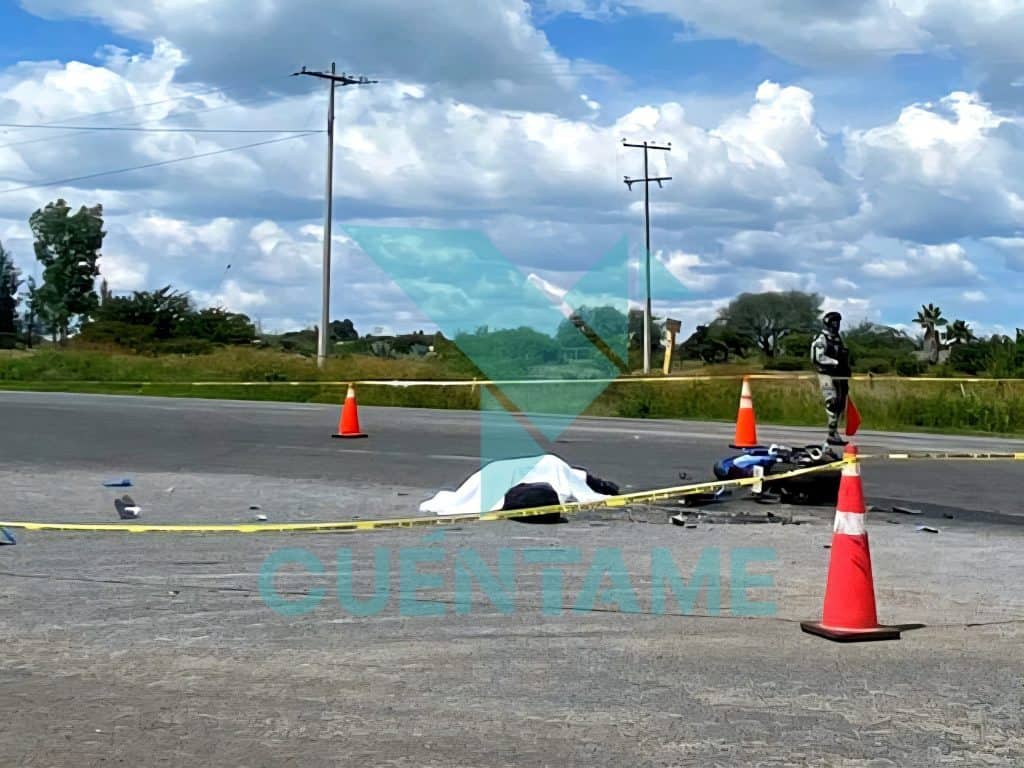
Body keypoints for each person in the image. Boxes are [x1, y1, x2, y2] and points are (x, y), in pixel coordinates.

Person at [811, 311, 851, 446]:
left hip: (840, 375)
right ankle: (832, 431)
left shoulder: (838, 338)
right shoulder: (822, 339)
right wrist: (834, 362)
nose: (836, 325)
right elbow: (819, 357)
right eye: (834, 322)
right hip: (826, 374)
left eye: (838, 322)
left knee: (840, 404)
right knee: (831, 401)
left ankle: (833, 433)